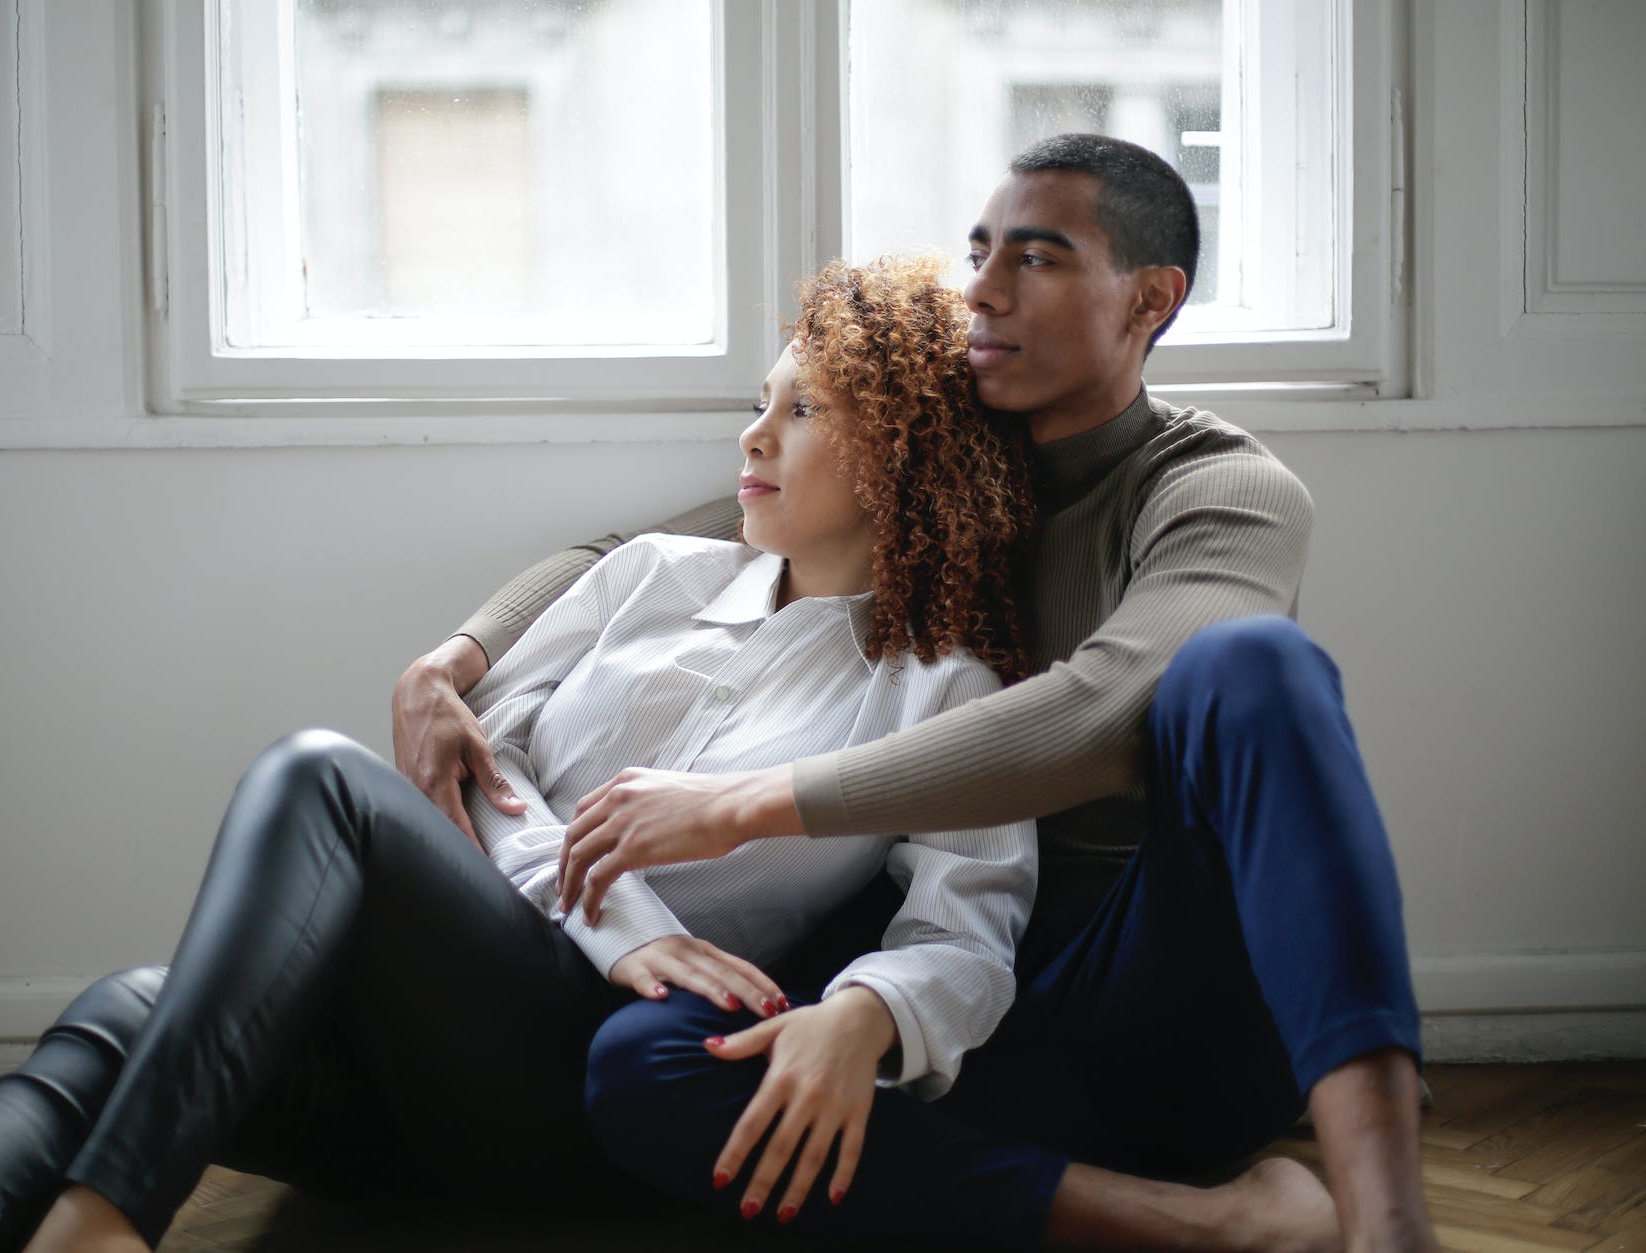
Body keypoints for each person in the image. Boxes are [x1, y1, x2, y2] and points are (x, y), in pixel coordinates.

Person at [0, 255, 1041, 1253]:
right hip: (437, 1060)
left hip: (591, 1090)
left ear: (900, 450)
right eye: (759, 401)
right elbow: (475, 778)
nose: (752, 433)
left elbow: (965, 933)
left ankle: (107, 1218)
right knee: (129, 1009)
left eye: (801, 408)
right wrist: (624, 919)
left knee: (319, 777)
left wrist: (869, 1012)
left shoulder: (941, 687)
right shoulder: (652, 575)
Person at [394, 134, 1437, 1251]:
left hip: (1141, 989)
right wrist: (451, 659)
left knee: (1254, 665)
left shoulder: (1216, 487)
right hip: (950, 1002)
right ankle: (1202, 1224)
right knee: (649, 1066)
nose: (980, 289)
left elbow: (1107, 705)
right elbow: (640, 548)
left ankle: (1385, 1219)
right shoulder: (926, 445)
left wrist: (753, 799)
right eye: (980, 250)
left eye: (1033, 260)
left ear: (1148, 299)